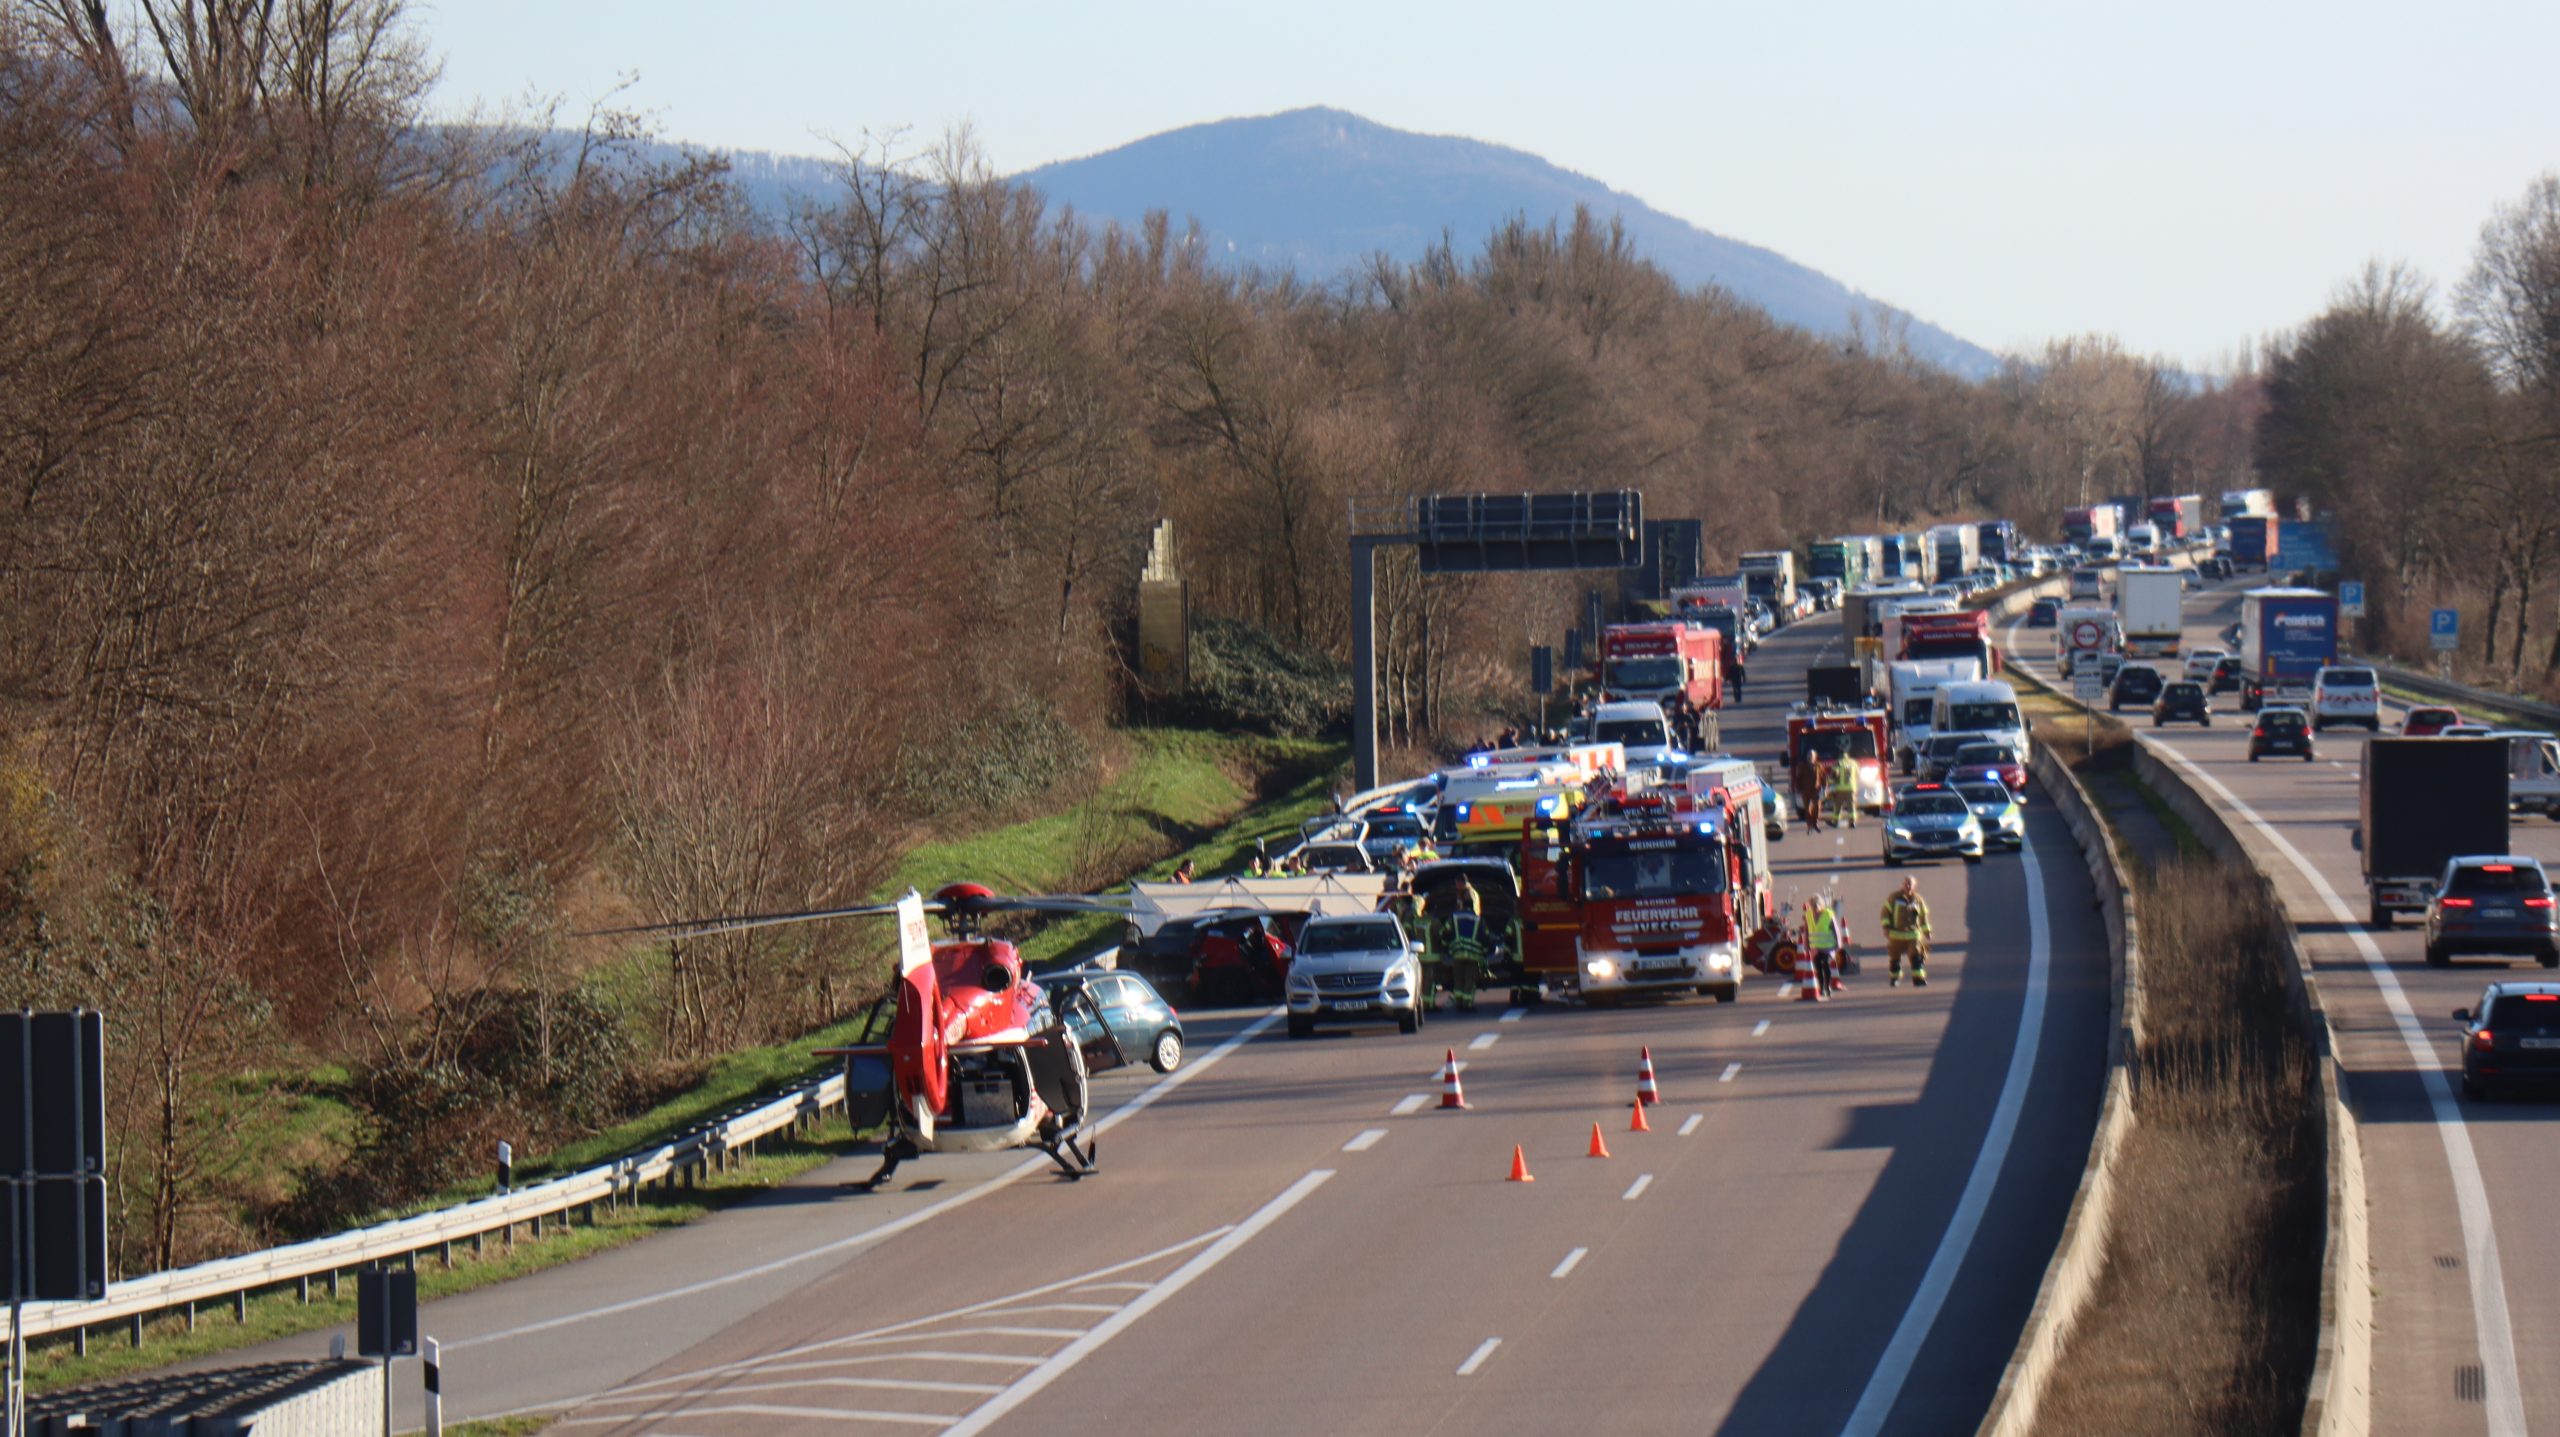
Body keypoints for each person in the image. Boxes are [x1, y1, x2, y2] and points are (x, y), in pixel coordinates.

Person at [1881, 876, 1932, 987]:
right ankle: (1895, 979)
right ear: (1902, 885)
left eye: (1910, 884)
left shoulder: (1918, 900)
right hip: (1896, 935)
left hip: (1913, 935)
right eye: (1906, 884)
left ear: (1914, 886)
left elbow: (1923, 917)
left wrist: (1927, 931)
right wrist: (1886, 927)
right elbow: (1885, 913)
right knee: (1895, 959)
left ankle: (1918, 979)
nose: (1908, 886)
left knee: (1917, 957)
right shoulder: (1894, 898)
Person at [1445, 907, 1487, 1011]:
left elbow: (1445, 932)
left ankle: (1459, 1003)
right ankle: (1467, 1004)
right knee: (1469, 980)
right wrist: (1486, 951)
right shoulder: (1478, 919)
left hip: (1457, 954)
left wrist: (1446, 947)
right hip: (1473, 955)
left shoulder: (1453, 917)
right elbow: (1485, 936)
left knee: (1458, 979)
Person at [1807, 894, 1846, 996]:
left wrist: (1838, 945)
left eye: (1816, 906)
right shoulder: (1808, 915)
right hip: (1815, 947)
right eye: (1813, 906)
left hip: (1828, 947)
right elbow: (1806, 931)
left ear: (1821, 905)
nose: (1815, 908)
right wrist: (1807, 945)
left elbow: (1836, 931)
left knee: (1825, 964)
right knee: (1818, 967)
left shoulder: (1828, 914)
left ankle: (1827, 986)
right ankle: (1821, 988)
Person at [1827, 748, 1861, 829]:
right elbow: (1858, 775)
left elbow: (1834, 775)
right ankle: (1852, 822)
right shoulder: (1854, 763)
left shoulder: (1838, 763)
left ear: (1840, 755)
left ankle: (1835, 822)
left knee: (1838, 806)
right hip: (1851, 788)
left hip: (1840, 789)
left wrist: (1829, 782)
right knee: (1851, 806)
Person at [1793, 751, 1824, 833]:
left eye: (1812, 756)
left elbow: (1823, 777)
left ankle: (1815, 823)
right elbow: (1798, 778)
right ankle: (1809, 826)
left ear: (1815, 757)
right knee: (1808, 809)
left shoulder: (1819, 766)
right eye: (1809, 755)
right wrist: (1798, 789)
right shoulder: (1802, 766)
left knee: (1817, 807)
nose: (1810, 757)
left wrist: (1825, 787)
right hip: (1805, 791)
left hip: (1816, 790)